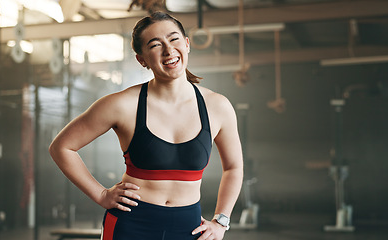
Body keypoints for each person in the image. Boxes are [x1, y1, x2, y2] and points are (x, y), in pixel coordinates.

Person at [49, 11, 243, 240]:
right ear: (141, 59)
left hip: (188, 228)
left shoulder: (217, 106)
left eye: (174, 39)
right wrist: (101, 195)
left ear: (187, 44)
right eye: (155, 44)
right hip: (131, 225)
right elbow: (61, 147)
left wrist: (221, 221)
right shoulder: (122, 104)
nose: (168, 50)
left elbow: (233, 167)